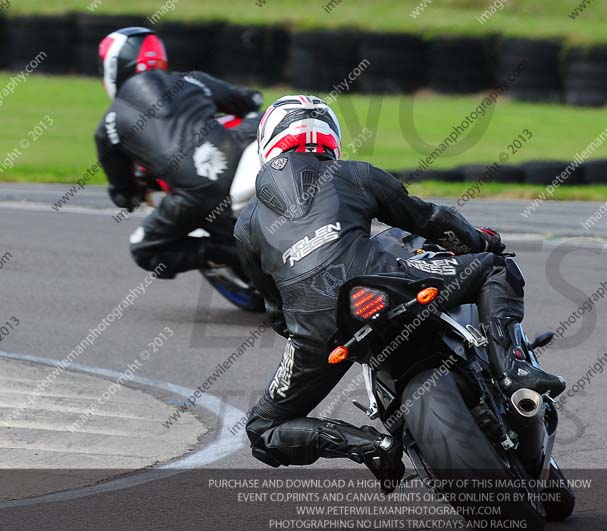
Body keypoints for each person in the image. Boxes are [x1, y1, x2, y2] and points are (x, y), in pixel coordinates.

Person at [234, 95, 566, 492]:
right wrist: (480, 240)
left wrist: (309, 339)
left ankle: (369, 444)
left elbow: (274, 309)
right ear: (330, 140)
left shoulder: (247, 221)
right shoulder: (355, 173)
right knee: (494, 267)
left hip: (318, 330)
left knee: (262, 428)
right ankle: (514, 372)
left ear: (268, 142)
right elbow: (431, 220)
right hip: (385, 283)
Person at [94, 27, 264, 279]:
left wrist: (132, 195)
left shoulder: (108, 126)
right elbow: (248, 101)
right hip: (243, 150)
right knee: (265, 120)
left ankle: (228, 251)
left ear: (113, 67)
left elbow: (123, 196)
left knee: (144, 250)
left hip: (196, 195)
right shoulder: (191, 80)